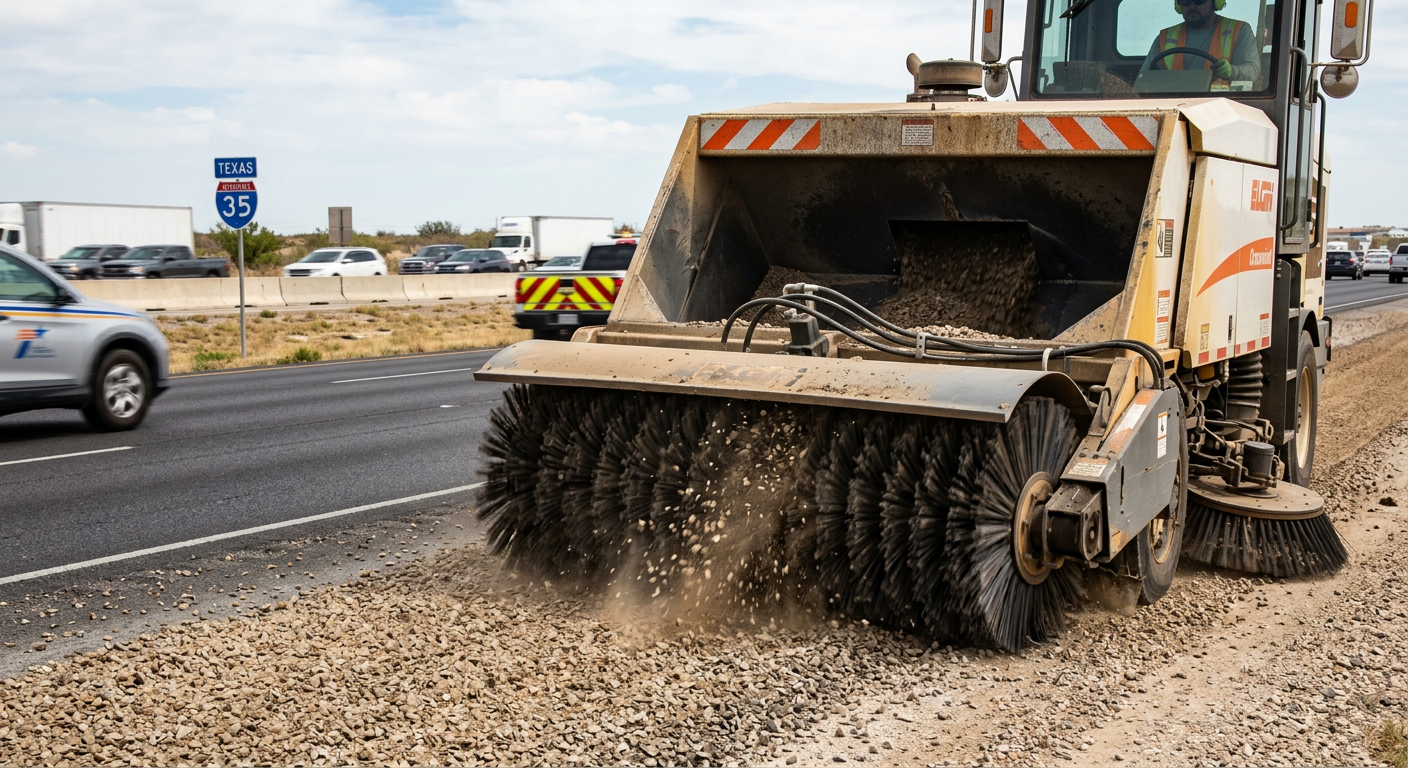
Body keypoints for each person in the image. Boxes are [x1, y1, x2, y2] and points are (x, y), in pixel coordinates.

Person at [1141, 0, 1260, 87]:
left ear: (1215, 2)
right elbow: (1143, 79)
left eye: (1199, 0)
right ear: (1178, 5)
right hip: (1175, 110)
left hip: (1223, 110)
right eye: (1185, 1)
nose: (1192, 6)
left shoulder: (1237, 30)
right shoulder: (1165, 37)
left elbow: (1252, 71)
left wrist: (1233, 71)